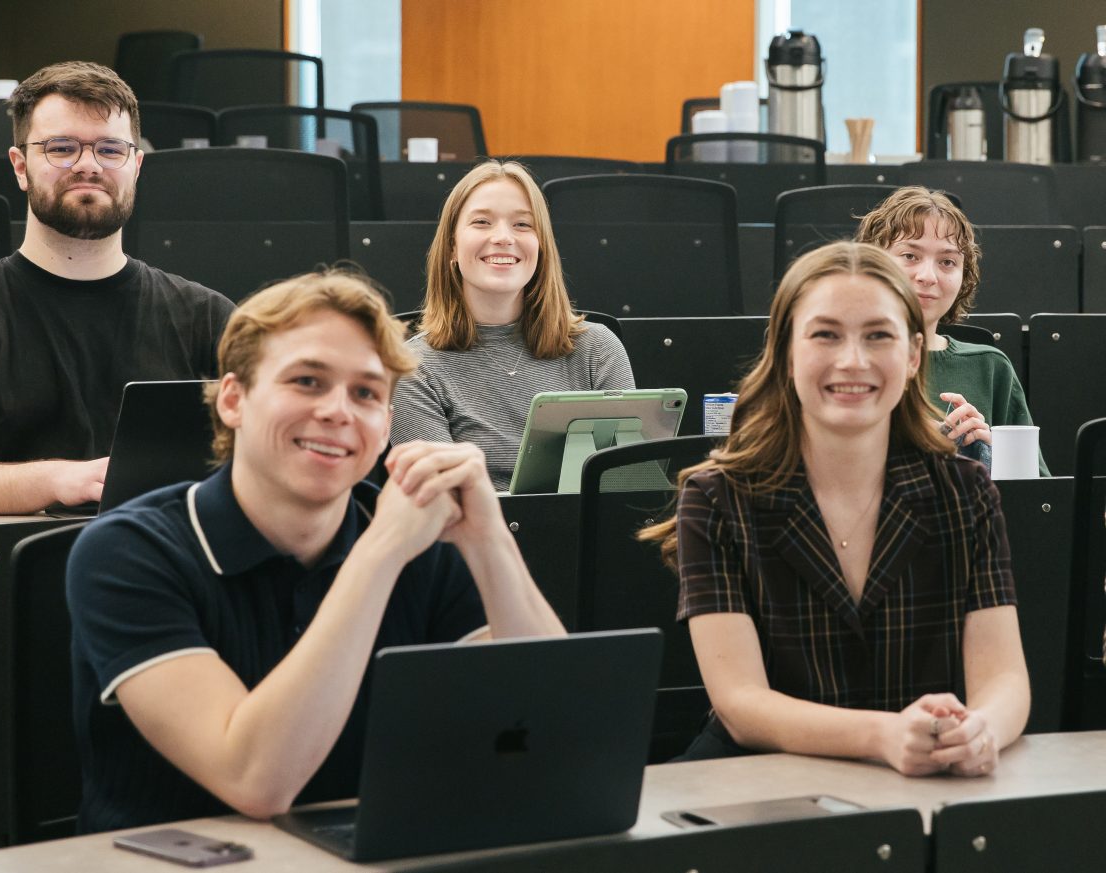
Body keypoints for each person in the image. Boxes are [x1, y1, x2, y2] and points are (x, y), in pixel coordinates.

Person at [65, 269, 565, 832]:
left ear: (385, 428)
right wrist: (377, 556)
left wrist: (489, 540)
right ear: (233, 399)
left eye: (367, 394)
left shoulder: (419, 539)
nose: (338, 411)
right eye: (307, 381)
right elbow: (255, 781)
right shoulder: (128, 552)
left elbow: (558, 738)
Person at [641, 241, 1029, 776]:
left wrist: (982, 730)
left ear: (914, 354)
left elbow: (1005, 680)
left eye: (879, 336)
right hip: (763, 781)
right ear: (786, 351)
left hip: (922, 774)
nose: (853, 360)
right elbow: (741, 705)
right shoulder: (715, 497)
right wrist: (885, 736)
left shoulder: (966, 491)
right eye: (825, 334)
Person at [0, 61, 234, 517]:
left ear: (136, 165)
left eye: (110, 149)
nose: (88, 165)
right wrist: (62, 479)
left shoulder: (208, 318)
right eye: (61, 148)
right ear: (20, 166)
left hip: (170, 568)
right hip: (12, 573)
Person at [390, 160, 635, 489]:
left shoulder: (598, 349)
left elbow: (629, 486)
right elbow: (441, 504)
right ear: (452, 246)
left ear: (541, 246)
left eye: (522, 225)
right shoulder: (413, 369)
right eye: (481, 222)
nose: (503, 237)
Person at [854, 185, 1048, 475]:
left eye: (947, 262)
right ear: (872, 262)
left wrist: (990, 453)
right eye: (909, 256)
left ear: (963, 275)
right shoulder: (841, 360)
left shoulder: (990, 366)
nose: (928, 276)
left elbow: (1041, 501)